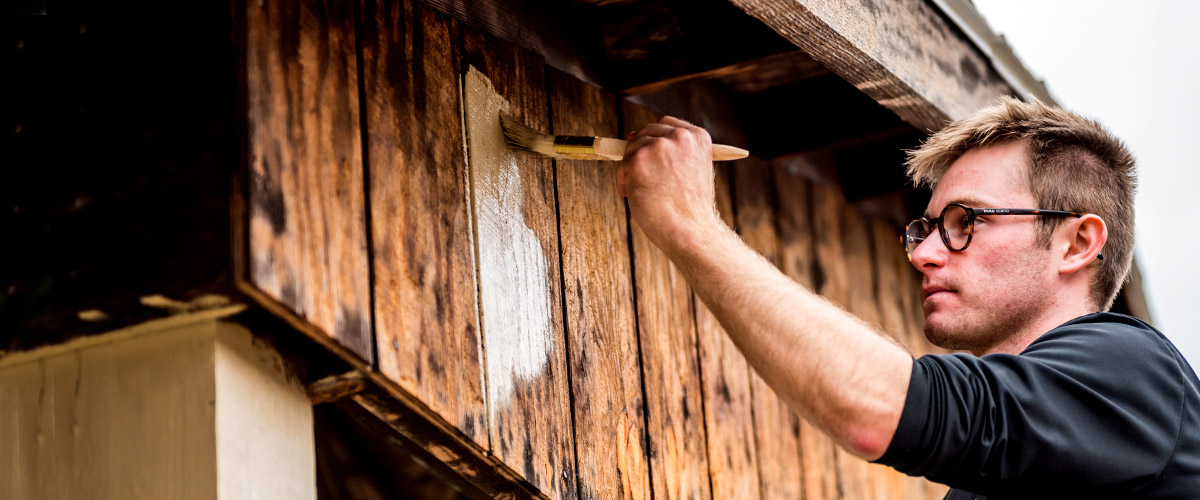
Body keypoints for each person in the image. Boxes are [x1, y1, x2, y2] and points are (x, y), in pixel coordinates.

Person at [616, 97, 1199, 499]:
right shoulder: (999, 473)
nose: (922, 254)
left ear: (1077, 242)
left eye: (964, 221)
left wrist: (689, 222)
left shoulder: (1133, 371)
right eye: (923, 229)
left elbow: (881, 410)